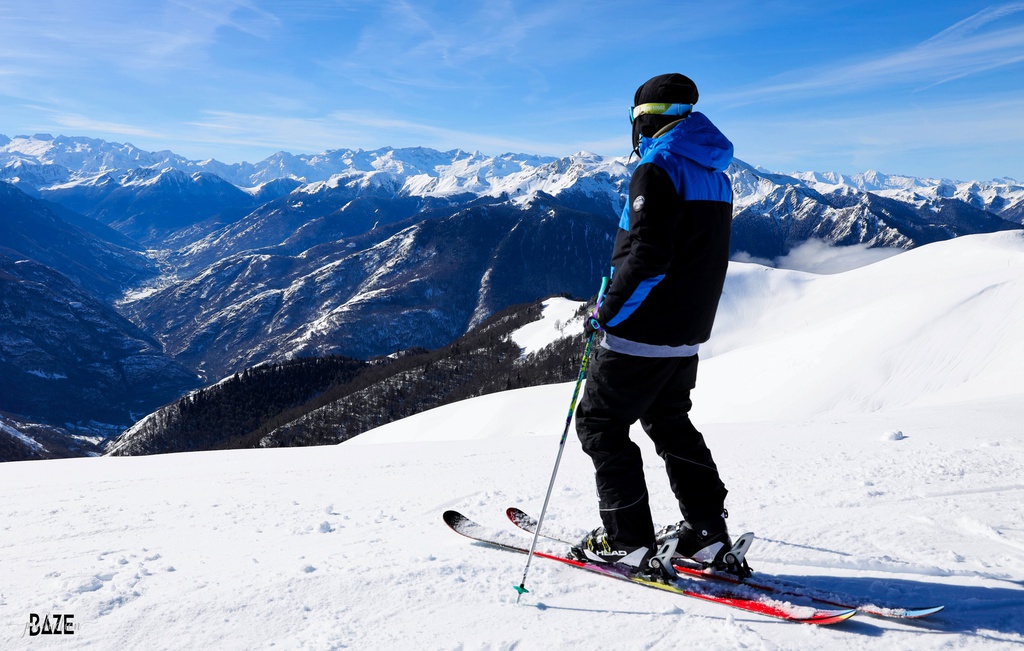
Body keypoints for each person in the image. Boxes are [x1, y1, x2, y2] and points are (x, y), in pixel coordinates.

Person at [571, 73, 736, 575]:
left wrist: (606, 313)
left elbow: (649, 257)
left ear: (645, 118)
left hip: (641, 329)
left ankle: (629, 541)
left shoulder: (656, 168)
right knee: (669, 422)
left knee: (600, 425)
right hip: (686, 330)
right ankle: (707, 535)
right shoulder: (714, 172)